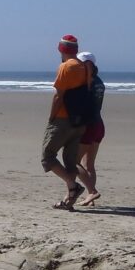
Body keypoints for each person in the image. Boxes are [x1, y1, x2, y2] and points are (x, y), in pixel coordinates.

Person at [41, 35, 88, 210]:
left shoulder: (66, 67)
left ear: (61, 50)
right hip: (80, 120)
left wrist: (51, 116)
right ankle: (69, 199)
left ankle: (73, 186)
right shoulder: (84, 67)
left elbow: (59, 95)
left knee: (48, 156)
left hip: (62, 119)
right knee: (70, 160)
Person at [73, 52, 106, 207]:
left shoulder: (88, 82)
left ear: (88, 65)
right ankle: (90, 197)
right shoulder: (99, 81)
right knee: (89, 164)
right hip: (98, 124)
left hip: (89, 125)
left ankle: (91, 191)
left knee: (73, 161)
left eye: (81, 64)